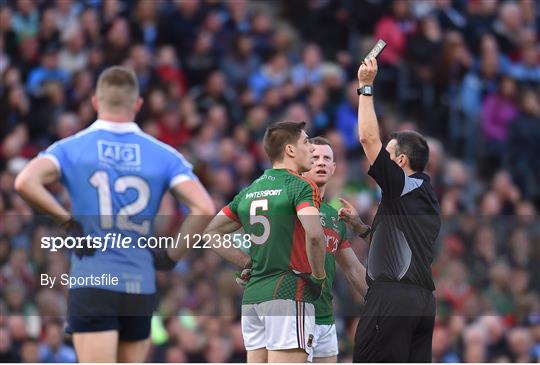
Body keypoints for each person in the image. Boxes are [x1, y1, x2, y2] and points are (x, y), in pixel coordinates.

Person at [14, 66, 215, 362]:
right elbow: (204, 208)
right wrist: (172, 256)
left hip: (93, 279)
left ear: (96, 101)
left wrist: (68, 222)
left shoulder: (71, 148)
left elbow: (24, 182)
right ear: (137, 104)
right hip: (139, 281)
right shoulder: (163, 154)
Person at [203, 121, 327, 363]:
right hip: (289, 292)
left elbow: (210, 233)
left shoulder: (249, 191)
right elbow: (314, 235)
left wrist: (248, 263)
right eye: (305, 142)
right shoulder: (301, 186)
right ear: (290, 150)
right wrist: (319, 277)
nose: (311, 149)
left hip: (253, 298)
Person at [353, 57, 441, 362]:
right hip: (423, 304)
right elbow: (401, 247)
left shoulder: (401, 184)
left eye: (389, 156)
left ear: (401, 161)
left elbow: (367, 137)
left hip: (392, 299)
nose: (384, 161)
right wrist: (364, 229)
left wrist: (366, 86)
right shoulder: (427, 195)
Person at [303, 136, 369, 362]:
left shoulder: (335, 217)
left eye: (326, 158)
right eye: (314, 158)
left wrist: (382, 304)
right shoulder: (287, 207)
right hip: (293, 316)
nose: (321, 162)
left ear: (334, 168)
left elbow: (353, 269)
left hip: (325, 317)